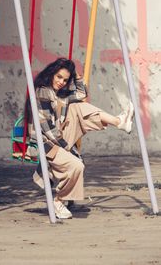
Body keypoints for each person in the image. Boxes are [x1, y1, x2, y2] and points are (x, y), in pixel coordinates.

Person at [26, 58, 134, 219]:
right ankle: (57, 200)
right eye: (58, 77)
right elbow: (47, 128)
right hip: (45, 143)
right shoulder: (42, 92)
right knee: (77, 166)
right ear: (51, 74)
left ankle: (119, 122)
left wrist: (75, 75)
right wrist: (65, 147)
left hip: (58, 137)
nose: (61, 82)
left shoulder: (59, 95)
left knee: (78, 106)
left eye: (65, 79)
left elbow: (82, 94)